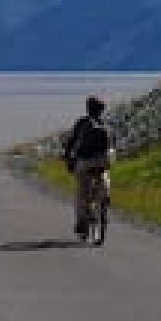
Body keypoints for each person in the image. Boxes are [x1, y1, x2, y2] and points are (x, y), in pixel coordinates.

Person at [62, 95, 114, 238]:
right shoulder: (106, 124)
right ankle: (105, 199)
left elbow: (71, 142)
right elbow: (111, 145)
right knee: (104, 176)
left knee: (81, 192)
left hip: (85, 162)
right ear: (101, 110)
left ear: (88, 109)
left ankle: (81, 221)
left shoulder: (82, 122)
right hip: (103, 161)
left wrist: (67, 157)